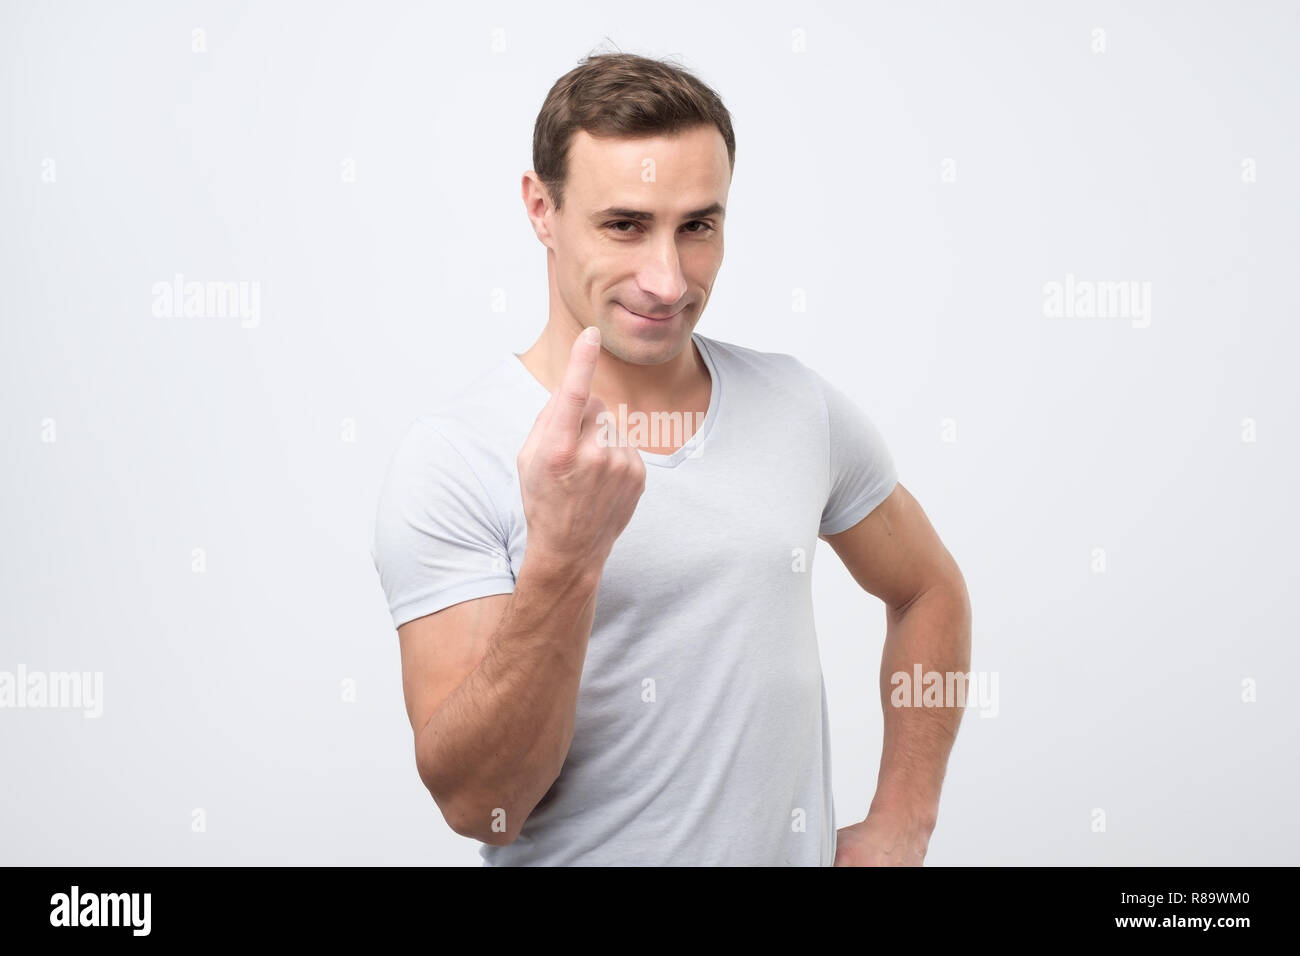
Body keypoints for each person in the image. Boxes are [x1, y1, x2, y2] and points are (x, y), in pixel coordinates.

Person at [371, 51, 972, 866]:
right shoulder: (455, 457)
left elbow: (929, 588)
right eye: (624, 225)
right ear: (540, 209)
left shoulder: (799, 407)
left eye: (698, 226)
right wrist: (566, 557)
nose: (667, 279)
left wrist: (905, 820)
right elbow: (483, 807)